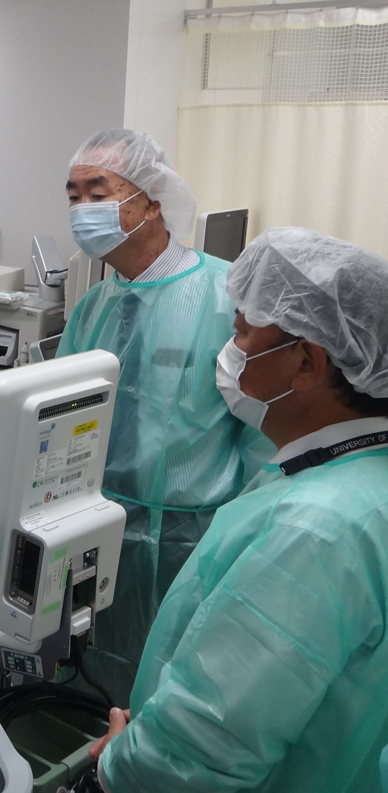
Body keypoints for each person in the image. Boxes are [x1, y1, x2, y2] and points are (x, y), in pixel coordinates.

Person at [84, 228, 388, 793]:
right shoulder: (356, 479)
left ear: (306, 364)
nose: (229, 353)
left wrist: (117, 769)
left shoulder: (316, 529)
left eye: (243, 333)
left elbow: (204, 743)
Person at [57, 129, 272, 706]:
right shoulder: (92, 308)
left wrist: (243, 537)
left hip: (190, 539)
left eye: (97, 191)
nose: (81, 209)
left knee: (176, 683)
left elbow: (265, 435)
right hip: (97, 531)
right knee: (97, 681)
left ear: (151, 201)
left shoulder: (226, 299)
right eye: (73, 196)